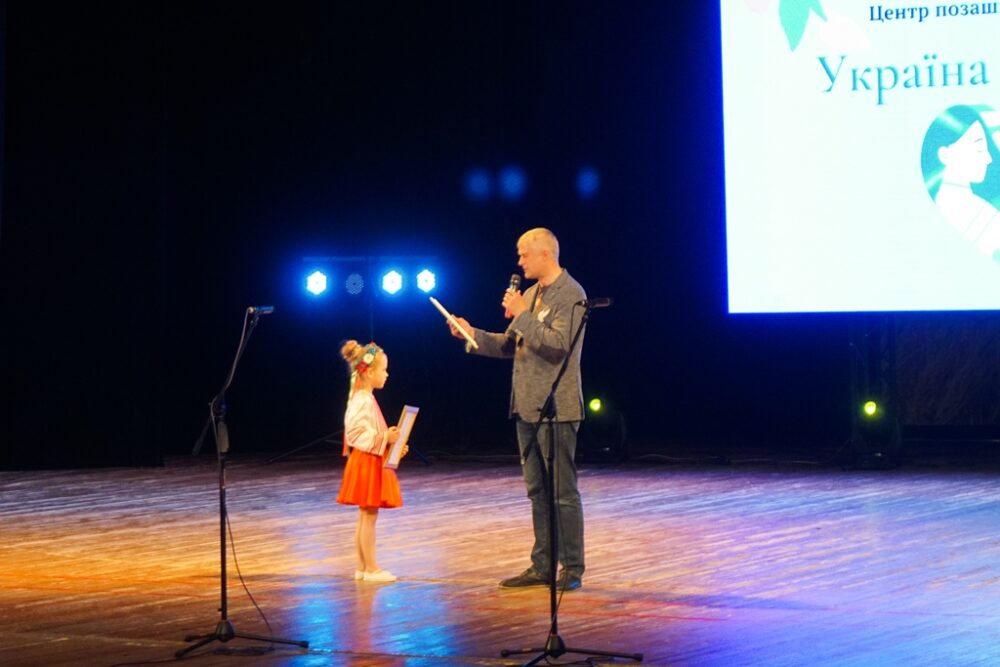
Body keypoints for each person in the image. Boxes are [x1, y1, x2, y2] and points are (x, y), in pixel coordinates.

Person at [447, 227, 588, 591]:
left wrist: (523, 314)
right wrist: (471, 334)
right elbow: (511, 344)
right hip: (525, 406)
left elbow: (558, 345)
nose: (519, 261)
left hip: (556, 408)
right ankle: (542, 565)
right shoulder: (529, 294)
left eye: (524, 254)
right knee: (537, 491)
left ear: (545, 254)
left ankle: (572, 568)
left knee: (562, 492)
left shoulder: (571, 294)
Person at [335, 339, 408, 583]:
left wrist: (391, 443)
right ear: (368, 372)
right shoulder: (361, 400)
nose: (387, 374)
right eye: (383, 370)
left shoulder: (365, 398)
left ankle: (363, 567)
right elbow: (356, 434)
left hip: (369, 459)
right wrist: (385, 438)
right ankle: (371, 568)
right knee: (368, 517)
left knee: (365, 516)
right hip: (366, 461)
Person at [921, 104, 1000, 263]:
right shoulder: (957, 209)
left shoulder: (972, 205)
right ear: (945, 155)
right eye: (979, 148)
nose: (988, 158)